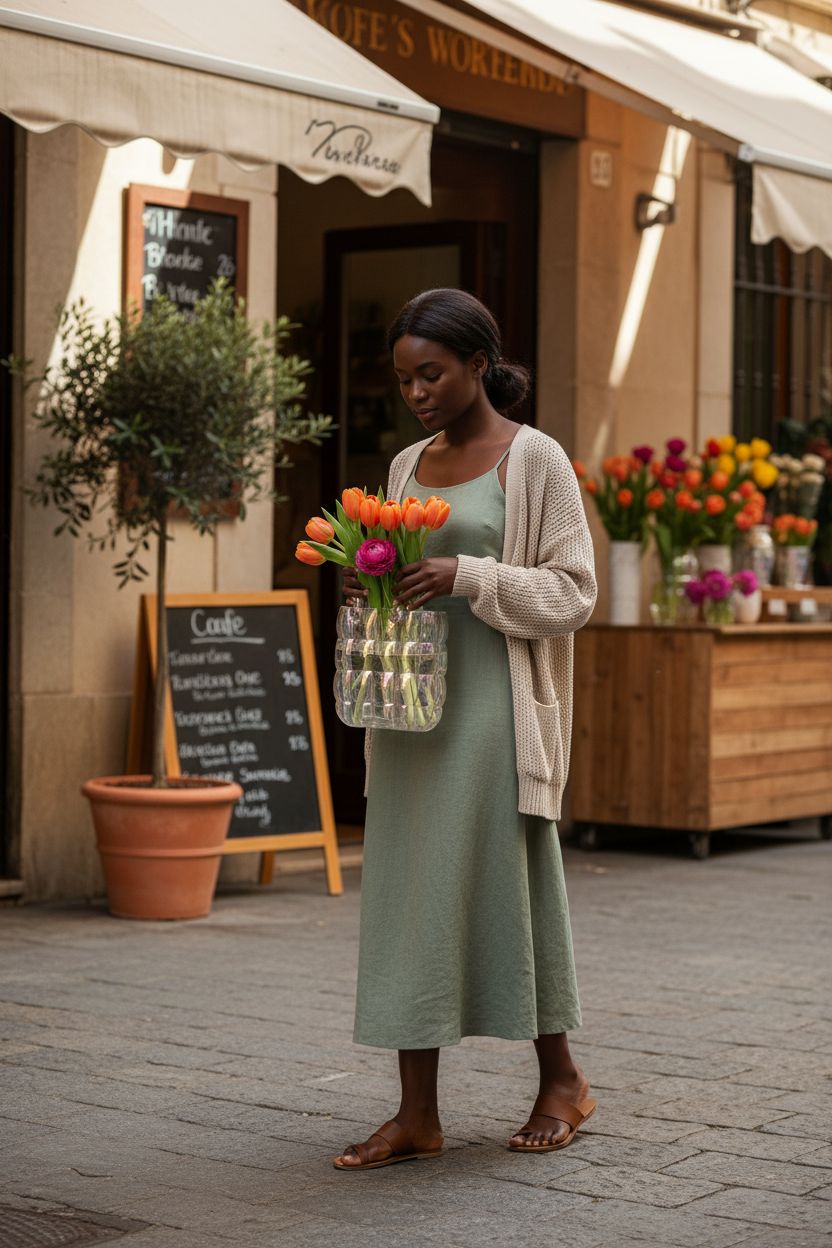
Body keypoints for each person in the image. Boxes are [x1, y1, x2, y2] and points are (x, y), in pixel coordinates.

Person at [335, 287, 597, 1170]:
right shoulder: (405, 468)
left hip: (497, 711)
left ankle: (562, 1081)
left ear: (480, 364)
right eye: (405, 377)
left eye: (432, 374)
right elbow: (400, 575)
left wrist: (468, 576)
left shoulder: (538, 461)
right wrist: (370, 582)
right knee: (412, 894)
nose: (416, 392)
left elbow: (573, 592)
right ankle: (417, 1113)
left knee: (509, 888)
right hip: (411, 717)